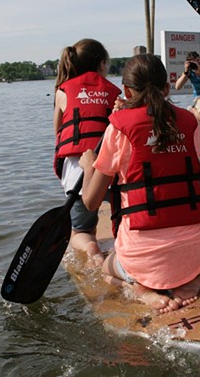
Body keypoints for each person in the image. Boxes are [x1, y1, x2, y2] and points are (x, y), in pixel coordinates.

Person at [79, 53, 200, 314]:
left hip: (142, 259)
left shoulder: (118, 128)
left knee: (105, 268)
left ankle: (139, 289)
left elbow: (90, 202)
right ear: (166, 88)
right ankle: (193, 281)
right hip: (195, 256)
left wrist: (89, 166)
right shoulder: (191, 122)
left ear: (126, 90)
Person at [53, 38, 122, 267]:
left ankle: (90, 247)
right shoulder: (115, 92)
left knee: (81, 230)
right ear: (102, 63)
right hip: (111, 173)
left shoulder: (62, 91)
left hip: (76, 175)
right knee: (123, 221)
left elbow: (58, 133)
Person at [174, 51, 200, 124]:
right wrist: (186, 72)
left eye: (198, 60)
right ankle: (193, 110)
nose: (198, 63)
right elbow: (177, 87)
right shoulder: (189, 72)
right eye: (195, 62)